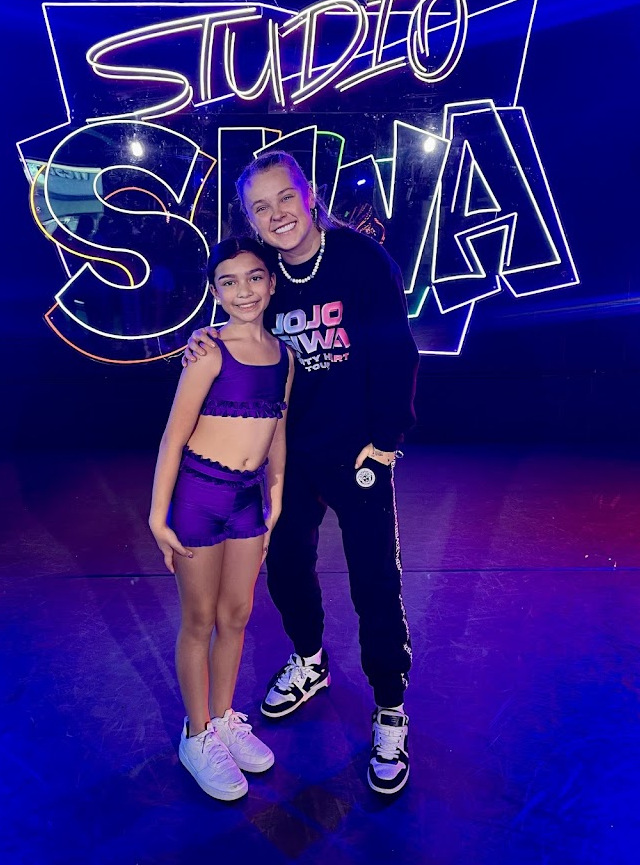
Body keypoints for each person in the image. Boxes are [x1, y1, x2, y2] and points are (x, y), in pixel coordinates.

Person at [184, 151, 419, 795]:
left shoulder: (360, 261)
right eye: (260, 207)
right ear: (251, 219)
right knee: (286, 567)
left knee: (375, 579)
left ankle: (389, 709)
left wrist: (386, 440)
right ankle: (311, 659)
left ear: (309, 194)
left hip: (358, 453)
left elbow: (396, 351)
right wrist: (204, 340)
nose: (277, 214)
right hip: (288, 456)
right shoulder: (265, 275)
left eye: (285, 197)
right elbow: (238, 319)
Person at [149, 237, 295, 801]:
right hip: (199, 497)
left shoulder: (284, 356)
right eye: (228, 282)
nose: (244, 291)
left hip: (248, 501)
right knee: (200, 618)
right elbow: (173, 437)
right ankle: (197, 734)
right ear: (215, 292)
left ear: (272, 282)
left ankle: (224, 718)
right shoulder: (208, 352)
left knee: (236, 614)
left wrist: (275, 495)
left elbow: (276, 430)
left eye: (254, 277)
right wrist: (158, 515)